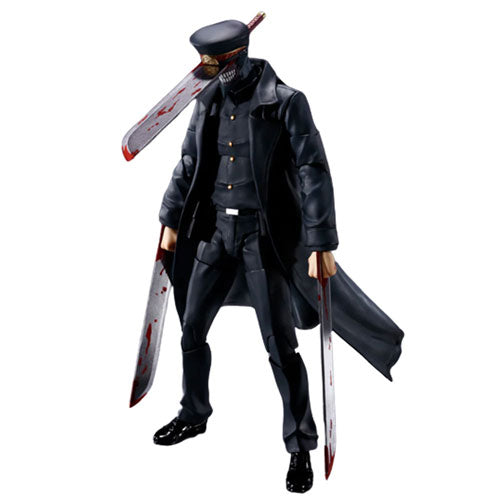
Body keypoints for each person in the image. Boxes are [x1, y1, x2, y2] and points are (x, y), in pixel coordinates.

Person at [151, 19, 403, 494]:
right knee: (191, 330)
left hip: (262, 240)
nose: (206, 70)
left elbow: (313, 170)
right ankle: (194, 412)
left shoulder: (286, 102)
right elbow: (188, 162)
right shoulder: (207, 101)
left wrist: (321, 242)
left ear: (237, 56)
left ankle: (299, 445)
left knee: (280, 346)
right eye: (203, 62)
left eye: (214, 62)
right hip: (214, 235)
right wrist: (170, 219)